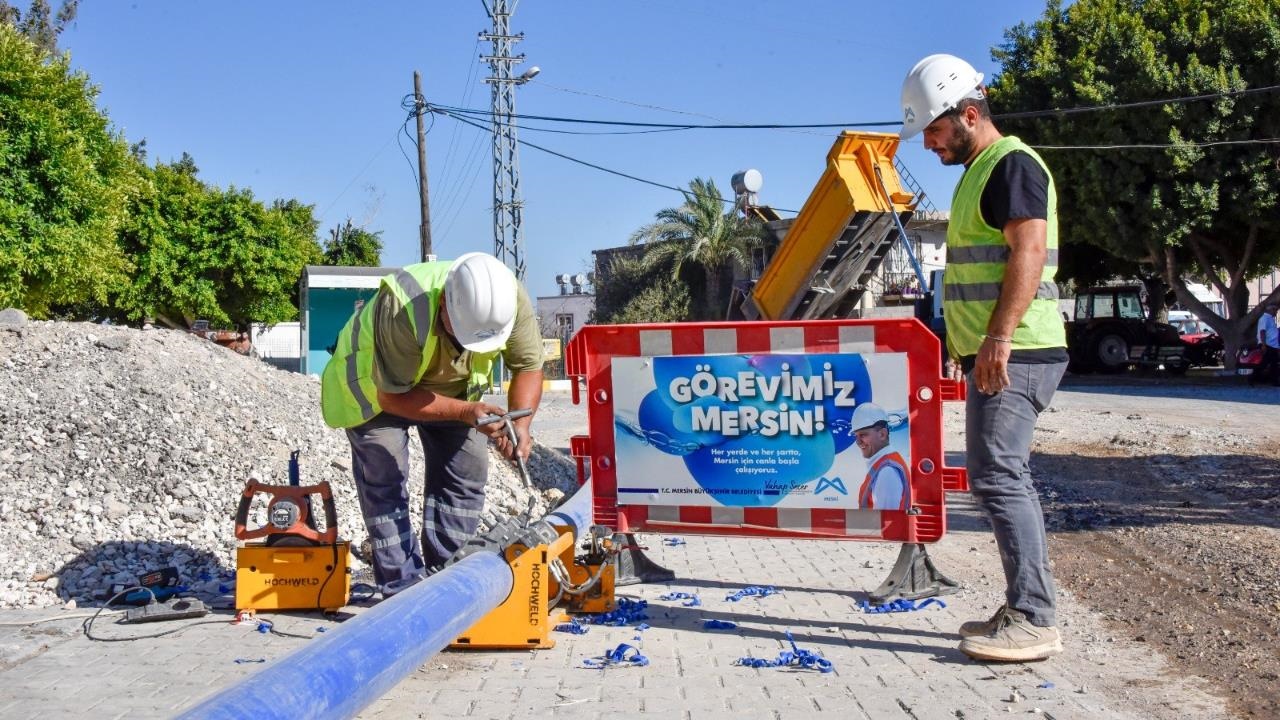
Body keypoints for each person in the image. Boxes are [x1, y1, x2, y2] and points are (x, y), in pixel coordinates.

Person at [900, 54, 1069, 662]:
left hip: (1018, 349)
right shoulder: (979, 171)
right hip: (997, 351)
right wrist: (964, 346)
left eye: (935, 130)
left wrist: (996, 339)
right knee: (994, 475)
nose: (927, 143)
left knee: (999, 476)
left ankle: (1033, 616)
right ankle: (1024, 607)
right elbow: (979, 273)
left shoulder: (1012, 164)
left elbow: (1027, 253)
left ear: (969, 115)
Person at [320, 252, 544, 594]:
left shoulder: (508, 299)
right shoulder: (403, 306)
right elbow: (394, 397)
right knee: (386, 475)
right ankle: (401, 586)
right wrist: (466, 413)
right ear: (444, 306)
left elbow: (528, 366)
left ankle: (450, 580)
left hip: (454, 394)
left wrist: (522, 426)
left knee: (466, 474)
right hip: (380, 391)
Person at [850, 403, 910, 511]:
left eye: (863, 435)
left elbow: (885, 522)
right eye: (856, 436)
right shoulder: (885, 464)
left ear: (882, 434)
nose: (858, 442)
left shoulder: (887, 472)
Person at [1251, 302, 1279, 386]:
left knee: (1273, 363)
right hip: (1268, 345)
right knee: (1264, 363)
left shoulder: (1270, 319)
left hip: (1273, 345)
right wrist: (1263, 344)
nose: (1276, 312)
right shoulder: (1265, 318)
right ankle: (1253, 378)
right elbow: (1262, 331)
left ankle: (1272, 380)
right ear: (1271, 310)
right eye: (1275, 310)